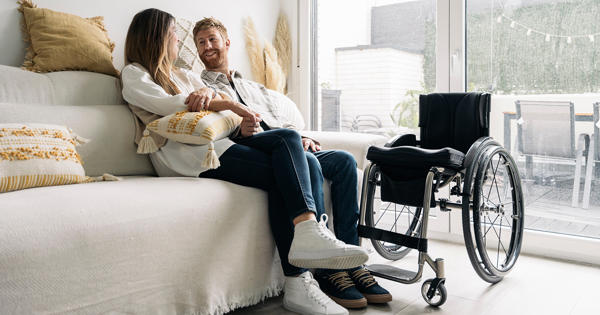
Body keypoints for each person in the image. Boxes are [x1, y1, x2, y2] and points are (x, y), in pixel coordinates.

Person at [120, 8, 369, 315]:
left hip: (217, 146)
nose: (177, 40)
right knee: (285, 160)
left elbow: (209, 107)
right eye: (173, 34)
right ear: (155, 36)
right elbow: (168, 104)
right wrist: (223, 101)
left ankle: (301, 269)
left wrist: (212, 99)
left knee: (288, 143)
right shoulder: (134, 73)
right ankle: (303, 263)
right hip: (185, 158)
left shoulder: (183, 74)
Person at [192, 17, 392, 313]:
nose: (207, 47)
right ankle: (328, 271)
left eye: (212, 39)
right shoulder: (201, 84)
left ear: (226, 43)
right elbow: (211, 124)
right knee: (307, 160)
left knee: (345, 162)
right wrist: (238, 130)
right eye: (201, 42)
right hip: (253, 146)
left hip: (288, 142)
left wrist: (303, 136)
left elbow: (282, 122)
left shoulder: (254, 86)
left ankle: (351, 262)